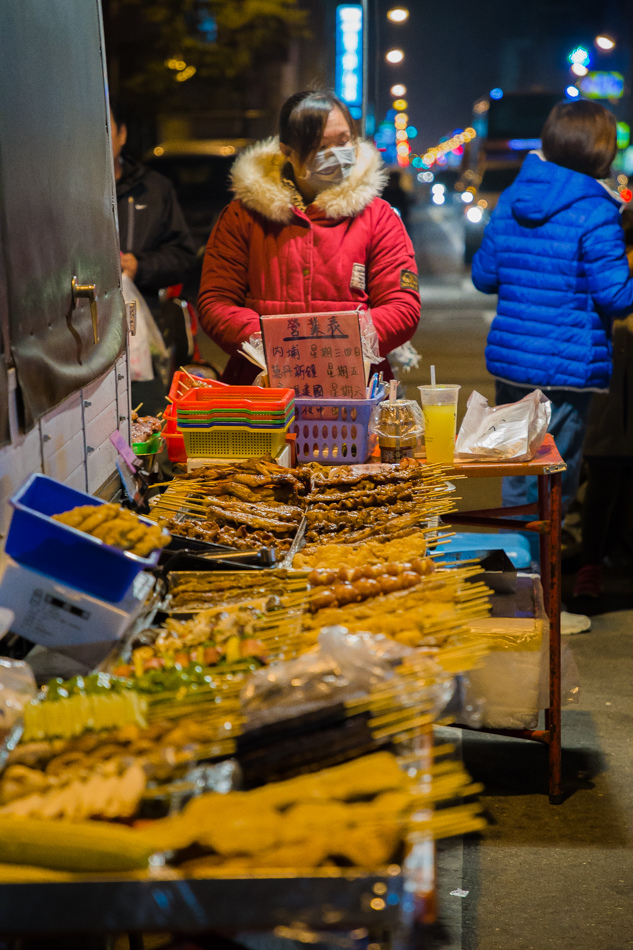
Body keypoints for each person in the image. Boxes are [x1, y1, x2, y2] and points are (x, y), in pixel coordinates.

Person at [471, 99, 633, 539]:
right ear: (599, 150)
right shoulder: (596, 209)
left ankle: (520, 578)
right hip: (569, 368)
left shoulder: (512, 198)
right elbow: (616, 295)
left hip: (513, 364)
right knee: (554, 478)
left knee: (517, 469)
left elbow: (484, 276)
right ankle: (544, 583)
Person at [197, 89, 421, 385]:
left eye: (343, 141)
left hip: (355, 389)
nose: (337, 154)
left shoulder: (378, 216)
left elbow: (402, 306)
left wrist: (332, 348)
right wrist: (276, 346)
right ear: (287, 151)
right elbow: (216, 302)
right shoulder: (244, 216)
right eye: (320, 146)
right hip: (263, 392)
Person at [110, 103, 197, 413]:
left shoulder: (154, 189)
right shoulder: (64, 191)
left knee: (146, 422)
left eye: (105, 127)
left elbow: (184, 257)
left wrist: (140, 266)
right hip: (84, 340)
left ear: (122, 133)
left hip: (142, 337)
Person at [572, 210, 633, 602]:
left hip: (610, 381)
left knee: (606, 475)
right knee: (608, 472)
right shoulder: (615, 258)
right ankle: (593, 561)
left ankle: (595, 560)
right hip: (614, 382)